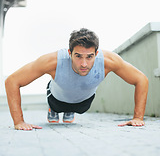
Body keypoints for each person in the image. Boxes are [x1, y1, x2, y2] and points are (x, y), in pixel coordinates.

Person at [5, 28, 148, 130]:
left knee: (77, 108)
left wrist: (138, 118)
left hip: (83, 104)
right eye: (78, 56)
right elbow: (12, 81)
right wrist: (19, 122)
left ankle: (70, 110)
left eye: (89, 57)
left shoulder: (109, 61)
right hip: (56, 100)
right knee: (56, 105)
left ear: (96, 53)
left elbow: (141, 79)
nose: (84, 64)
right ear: (70, 52)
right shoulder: (52, 61)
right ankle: (53, 109)